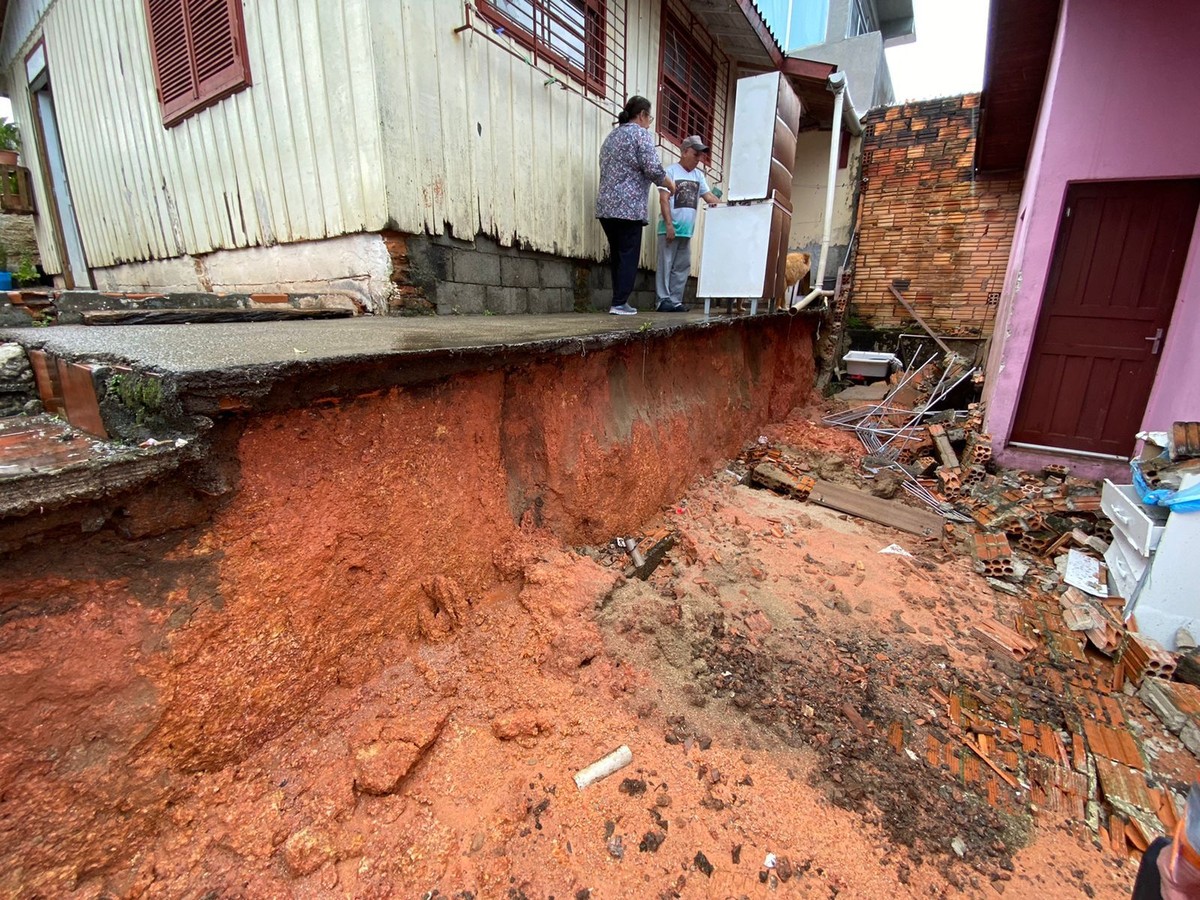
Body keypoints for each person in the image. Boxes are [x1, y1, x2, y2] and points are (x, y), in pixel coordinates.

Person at [595, 96, 676, 316]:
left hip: (606, 206)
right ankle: (620, 302)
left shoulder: (611, 137)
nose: (649, 123)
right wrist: (668, 182)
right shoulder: (640, 134)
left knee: (618, 255)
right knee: (628, 254)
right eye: (649, 117)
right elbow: (652, 168)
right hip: (628, 208)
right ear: (641, 115)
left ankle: (617, 300)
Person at [655, 135, 720, 312]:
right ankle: (663, 300)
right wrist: (669, 224)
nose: (699, 159)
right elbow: (663, 199)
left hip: (686, 230)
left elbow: (708, 197)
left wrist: (728, 205)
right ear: (684, 152)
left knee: (682, 267)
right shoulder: (671, 171)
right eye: (696, 154)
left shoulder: (699, 175)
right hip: (669, 228)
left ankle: (675, 300)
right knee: (665, 264)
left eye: (700, 155)